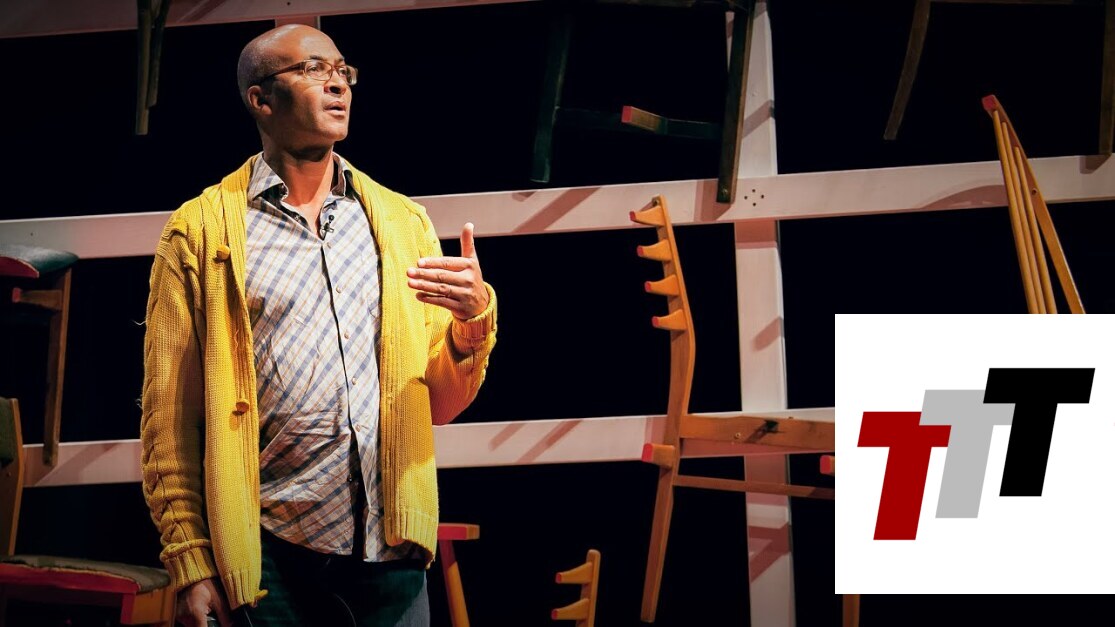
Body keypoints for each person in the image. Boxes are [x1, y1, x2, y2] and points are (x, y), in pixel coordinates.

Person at [140, 23, 497, 627]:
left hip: (390, 549)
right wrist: (191, 560)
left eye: (342, 71)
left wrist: (472, 323)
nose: (336, 84)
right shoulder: (200, 232)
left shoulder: (400, 222)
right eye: (311, 70)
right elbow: (169, 419)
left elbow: (441, 404)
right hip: (269, 551)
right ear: (260, 99)